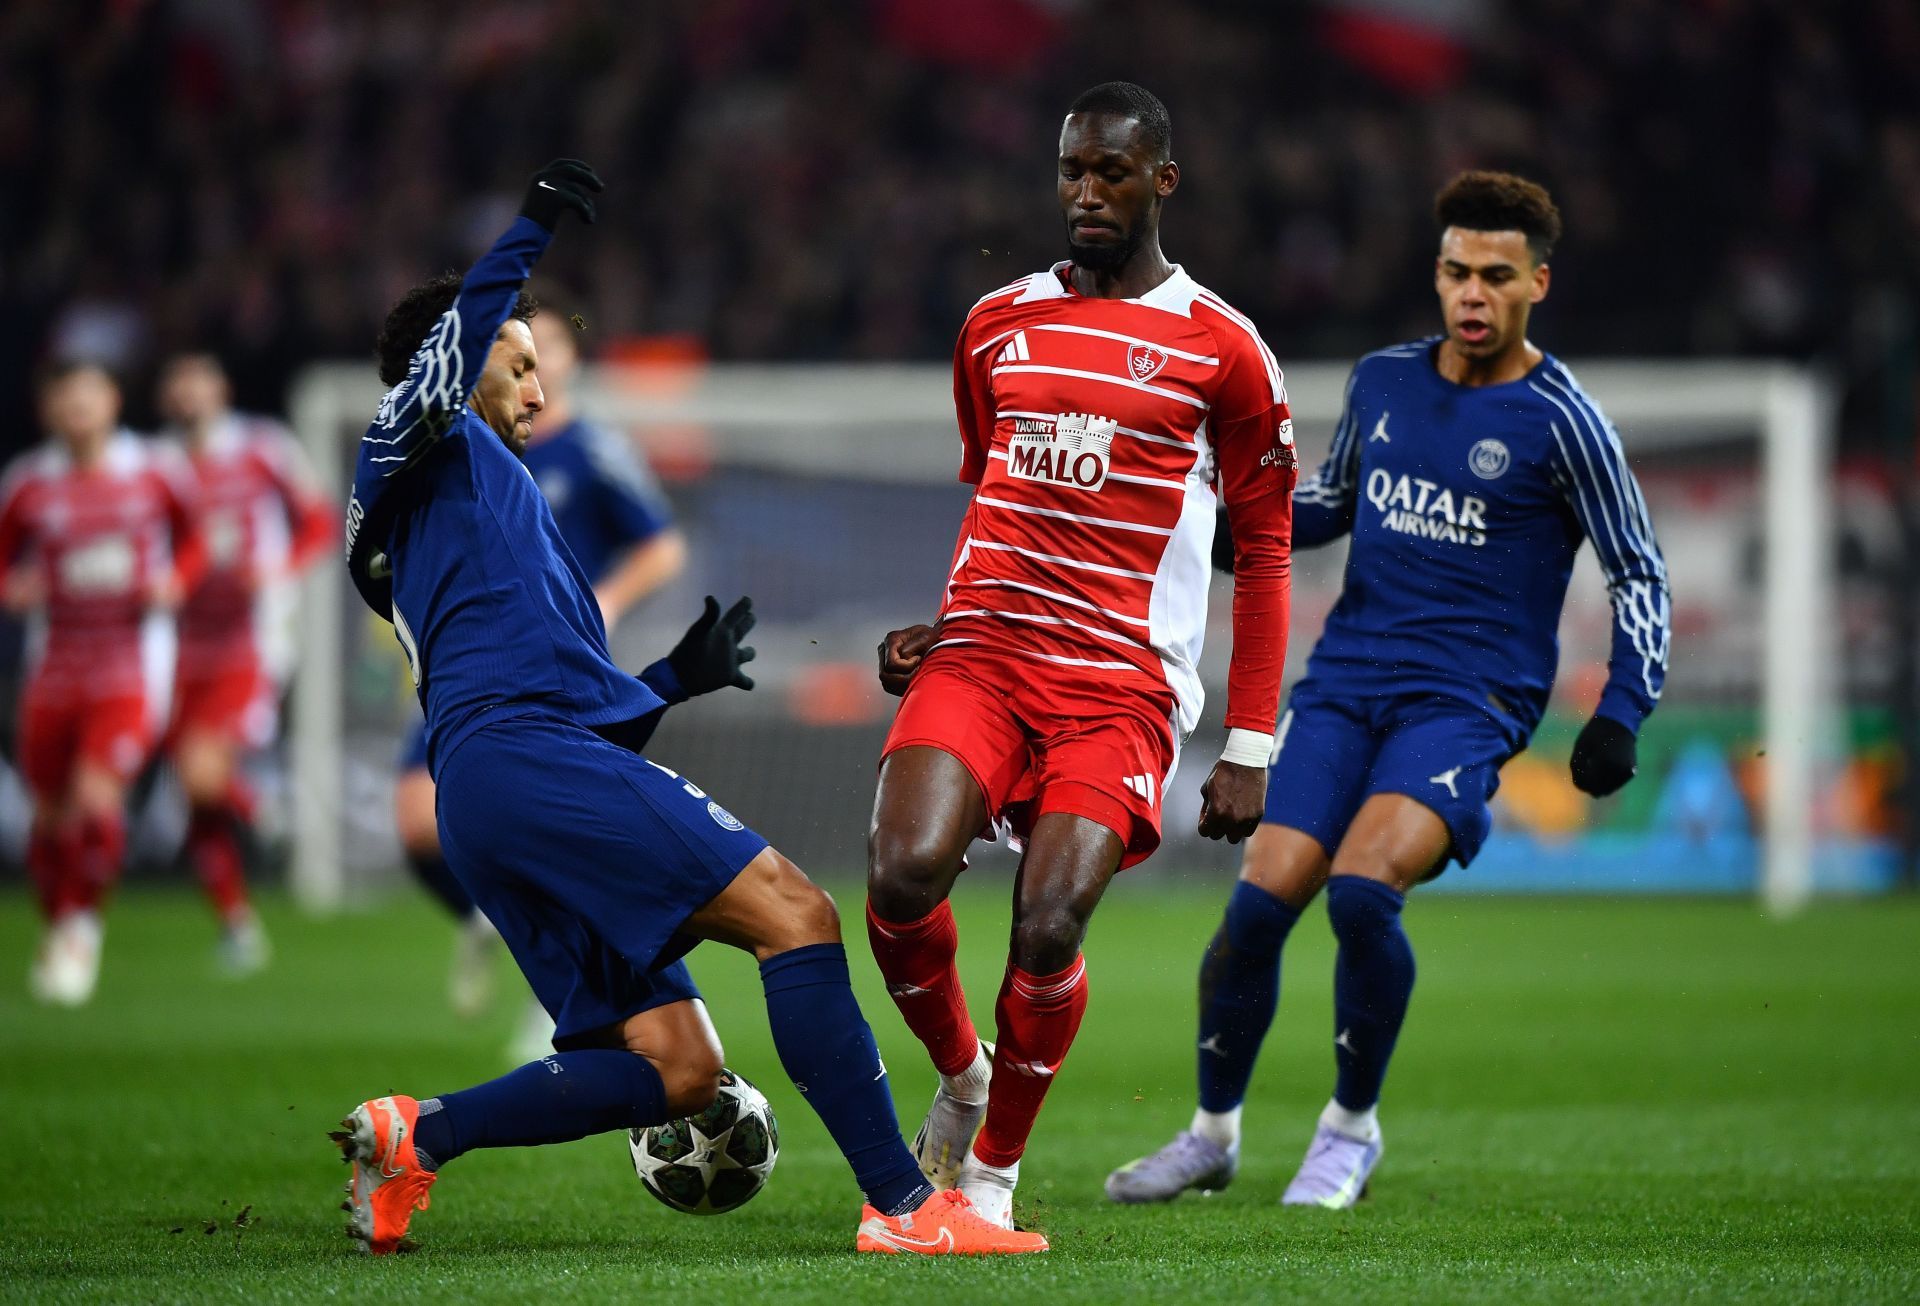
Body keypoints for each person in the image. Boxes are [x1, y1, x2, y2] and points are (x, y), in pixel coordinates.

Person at [333, 159, 1043, 1257]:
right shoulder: (425, 438)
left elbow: (547, 688)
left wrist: (670, 678)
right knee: (798, 913)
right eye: (516, 366)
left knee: (678, 1064)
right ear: (463, 364)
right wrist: (526, 233)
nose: (535, 390)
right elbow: (447, 370)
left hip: (501, 781)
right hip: (519, 763)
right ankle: (906, 1208)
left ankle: (418, 1135)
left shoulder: (462, 502)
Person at [1105, 170, 1672, 1209]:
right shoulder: (1384, 381)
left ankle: (1348, 1130)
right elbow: (1328, 499)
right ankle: (1212, 1135)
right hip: (1344, 687)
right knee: (1255, 912)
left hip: (1465, 706)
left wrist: (1621, 712)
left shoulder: (1566, 422)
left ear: (1536, 283)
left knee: (1364, 894)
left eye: (1497, 275)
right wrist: (1228, 531)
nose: (1472, 291)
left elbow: (1638, 568)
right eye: (1457, 269)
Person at [865, 82, 1297, 1229]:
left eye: (1111, 171)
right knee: (901, 873)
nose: (1086, 192)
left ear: (1162, 178)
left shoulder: (1225, 352)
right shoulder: (995, 322)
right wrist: (940, 620)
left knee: (1049, 922)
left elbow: (1264, 554)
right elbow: (996, 495)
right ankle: (960, 1071)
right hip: (986, 656)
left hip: (1120, 687)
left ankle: (994, 1176)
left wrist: (1250, 741)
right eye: (1071, 171)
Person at [391, 305, 685, 1025]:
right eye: (520, 353)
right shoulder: (457, 441)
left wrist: (609, 597)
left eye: (546, 348)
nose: (536, 365)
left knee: (559, 833)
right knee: (414, 820)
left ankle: (561, 989)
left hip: (554, 664)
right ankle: (491, 918)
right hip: (470, 665)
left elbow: (662, 545)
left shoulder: (590, 448)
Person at [1, 361, 201, 1005]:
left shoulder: (153, 469)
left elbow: (195, 540)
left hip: (128, 661)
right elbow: (5, 562)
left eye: (87, 394)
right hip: (53, 664)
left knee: (95, 798)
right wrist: (14, 587)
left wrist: (177, 579)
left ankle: (83, 928)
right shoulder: (28, 483)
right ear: (47, 409)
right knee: (49, 818)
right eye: (63, 398)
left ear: (112, 399)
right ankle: (60, 921)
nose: (76, 408)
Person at [156, 352, 335, 975]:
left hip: (250, 636)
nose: (187, 395)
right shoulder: (159, 466)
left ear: (221, 388)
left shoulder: (262, 446)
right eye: (177, 385)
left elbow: (318, 521)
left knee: (204, 772)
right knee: (194, 791)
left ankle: (264, 809)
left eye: (197, 381)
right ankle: (237, 924)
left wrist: (278, 569)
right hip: (175, 641)